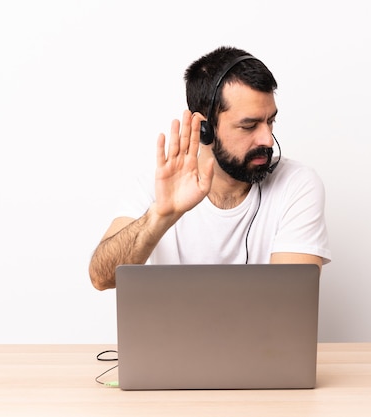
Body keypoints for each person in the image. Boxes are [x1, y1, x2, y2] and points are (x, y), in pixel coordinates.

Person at [89, 46, 331, 291]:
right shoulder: (154, 189)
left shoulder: (296, 184)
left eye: (270, 121)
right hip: (173, 331)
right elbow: (102, 278)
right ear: (205, 129)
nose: (267, 140)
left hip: (262, 333)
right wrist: (160, 216)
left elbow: (288, 299)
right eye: (249, 126)